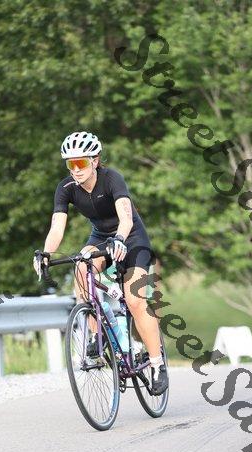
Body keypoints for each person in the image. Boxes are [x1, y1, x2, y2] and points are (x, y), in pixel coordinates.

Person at [33, 131, 168, 395]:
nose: (76, 169)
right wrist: (46, 253)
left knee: (135, 301)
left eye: (81, 162)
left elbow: (126, 218)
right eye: (70, 164)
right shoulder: (65, 188)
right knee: (82, 267)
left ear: (94, 160)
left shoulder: (112, 178)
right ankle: (97, 334)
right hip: (101, 238)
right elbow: (57, 227)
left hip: (132, 239)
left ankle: (156, 363)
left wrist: (120, 238)